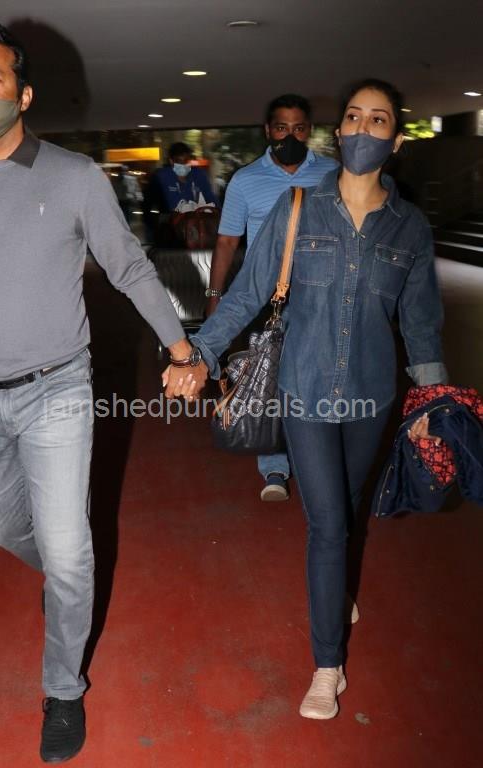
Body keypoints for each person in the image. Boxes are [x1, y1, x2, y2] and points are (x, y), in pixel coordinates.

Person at [0, 17, 196, 764]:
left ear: (23, 94)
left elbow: (128, 266)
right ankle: (66, 580)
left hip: (58, 387)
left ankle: (63, 689)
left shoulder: (72, 177)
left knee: (68, 551)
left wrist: (181, 345)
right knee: (1, 529)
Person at [167, 78, 447, 719]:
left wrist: (432, 402)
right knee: (326, 525)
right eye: (353, 117)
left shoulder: (409, 228)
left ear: (396, 141)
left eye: (378, 120)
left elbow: (422, 324)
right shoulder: (298, 208)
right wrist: (200, 352)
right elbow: (246, 292)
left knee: (346, 508)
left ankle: (336, 586)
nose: (362, 129)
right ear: (338, 131)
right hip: (305, 389)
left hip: (371, 395)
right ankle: (328, 666)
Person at [205, 95, 338, 503]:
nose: (290, 137)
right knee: (270, 377)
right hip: (266, 295)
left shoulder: (332, 174)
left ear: (309, 131)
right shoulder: (246, 180)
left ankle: (317, 459)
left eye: (299, 128)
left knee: (318, 377)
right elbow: (227, 242)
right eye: (282, 128)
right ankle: (275, 466)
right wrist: (215, 297)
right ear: (268, 131)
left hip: (321, 293)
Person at [143, 141, 217, 244]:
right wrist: (154, 228)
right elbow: (147, 205)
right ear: (171, 161)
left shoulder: (198, 176)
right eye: (179, 161)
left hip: (194, 227)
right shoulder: (161, 177)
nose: (182, 165)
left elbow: (212, 199)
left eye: (185, 161)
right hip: (169, 230)